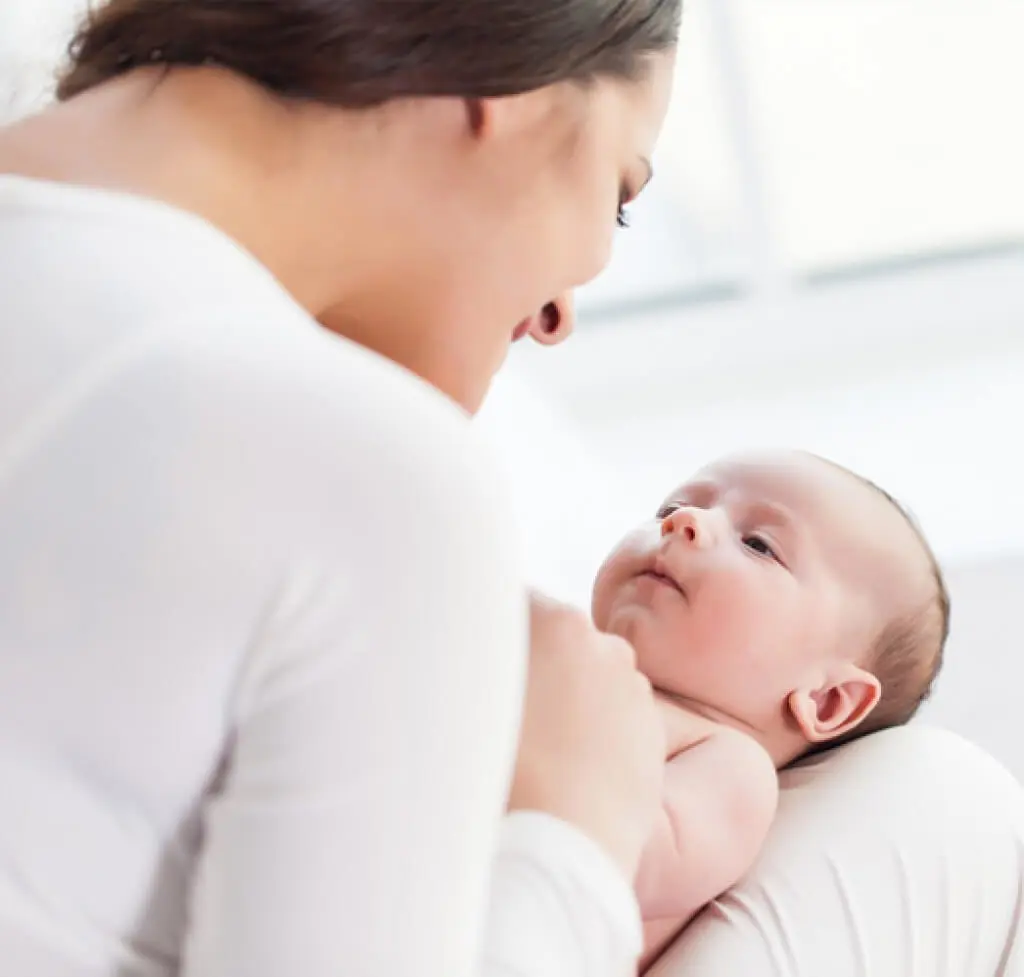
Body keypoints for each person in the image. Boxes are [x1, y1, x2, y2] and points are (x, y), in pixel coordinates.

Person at [0, 1, 680, 975]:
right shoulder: (366, 465)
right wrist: (568, 835)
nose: (561, 311)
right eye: (618, 192)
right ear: (509, 89)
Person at [588, 450, 948, 965]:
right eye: (670, 509)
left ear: (826, 700)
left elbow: (621, 860)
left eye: (758, 545)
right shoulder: (566, 656)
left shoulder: (729, 767)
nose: (685, 522)